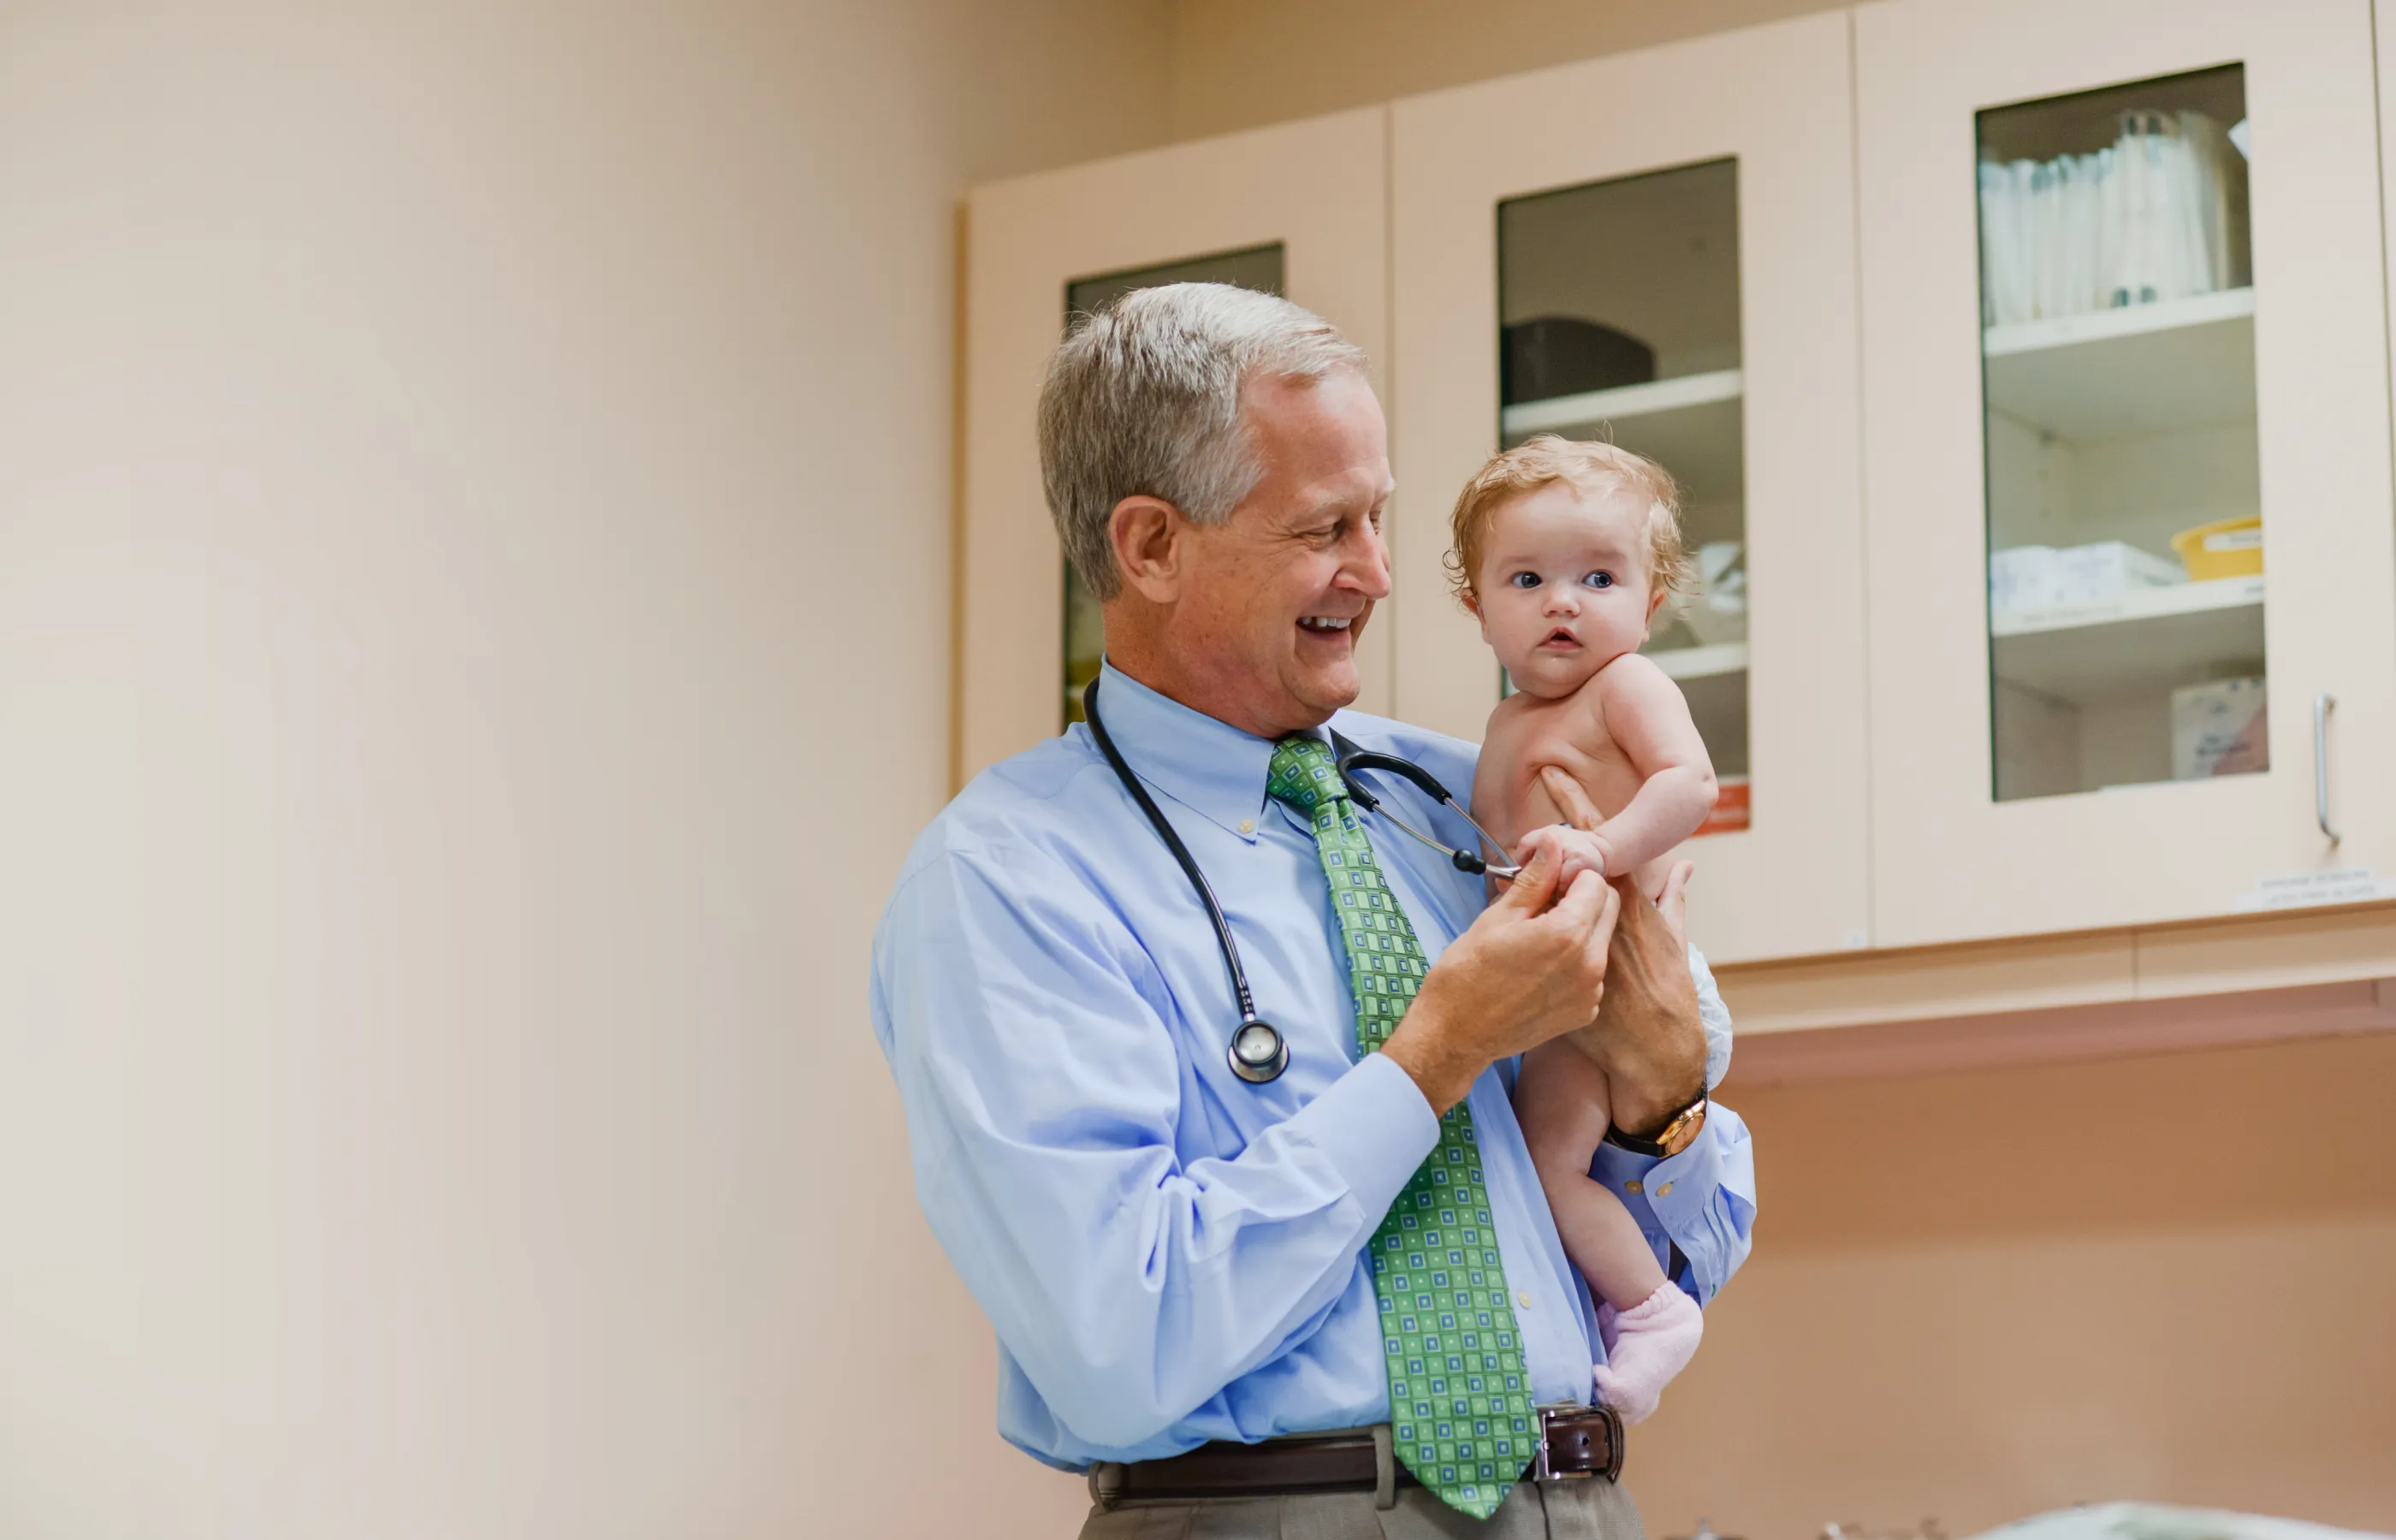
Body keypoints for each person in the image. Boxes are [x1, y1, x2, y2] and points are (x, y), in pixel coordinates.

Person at [870, 283, 1755, 1537]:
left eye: (1378, 516)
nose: (1380, 574)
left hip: (1580, 1502)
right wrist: (1434, 1055)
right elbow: (1118, 1342)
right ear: (1151, 547)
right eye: (1325, 527)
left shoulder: (1474, 799)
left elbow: (1695, 1260)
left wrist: (1662, 1093)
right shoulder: (1008, 878)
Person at [1449, 435, 1722, 1428]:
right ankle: (1618, 1301)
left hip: (1631, 989)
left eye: (1598, 579)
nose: (1562, 603)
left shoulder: (1625, 689)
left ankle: (1653, 1312)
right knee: (1534, 1166)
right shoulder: (1504, 722)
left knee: (1546, 1166)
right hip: (1563, 995)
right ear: (1476, 607)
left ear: (1651, 604)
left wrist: (1601, 848)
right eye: (1527, 580)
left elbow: (1690, 782)